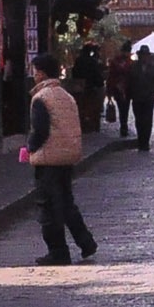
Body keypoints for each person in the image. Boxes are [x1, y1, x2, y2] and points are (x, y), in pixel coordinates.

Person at [23, 50, 97, 265]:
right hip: (67, 156)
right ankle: (86, 242)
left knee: (48, 207)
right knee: (66, 203)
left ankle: (58, 251)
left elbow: (40, 130)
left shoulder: (41, 98)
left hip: (48, 158)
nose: (34, 75)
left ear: (42, 74)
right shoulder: (67, 96)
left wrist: (30, 148)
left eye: (35, 71)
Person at [129, 47, 154, 152]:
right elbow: (130, 81)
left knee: (147, 120)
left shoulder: (153, 67)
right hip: (137, 97)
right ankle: (141, 140)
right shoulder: (134, 67)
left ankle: (145, 142)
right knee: (139, 120)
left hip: (148, 97)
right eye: (142, 55)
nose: (144, 57)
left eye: (146, 55)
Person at [71, 41, 106, 132]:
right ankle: (92, 126)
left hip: (80, 87)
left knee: (81, 107)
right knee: (93, 108)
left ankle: (83, 124)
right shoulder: (92, 61)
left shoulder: (78, 60)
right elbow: (97, 75)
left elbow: (74, 72)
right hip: (91, 87)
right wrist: (99, 84)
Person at [103, 48, 134, 138]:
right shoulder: (126, 63)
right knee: (123, 107)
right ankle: (124, 126)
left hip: (125, 89)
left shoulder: (124, 62)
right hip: (120, 88)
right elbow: (111, 77)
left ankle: (124, 126)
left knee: (124, 108)